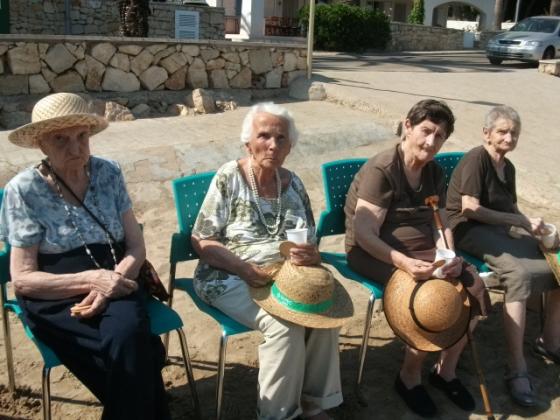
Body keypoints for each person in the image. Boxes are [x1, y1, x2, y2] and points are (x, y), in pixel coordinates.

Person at [0, 93, 169, 419]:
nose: (76, 148)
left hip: (119, 274)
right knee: (139, 350)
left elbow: (136, 246)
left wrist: (113, 280)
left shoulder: (109, 172)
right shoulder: (23, 190)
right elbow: (22, 279)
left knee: (126, 337)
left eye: (82, 136)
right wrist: (93, 280)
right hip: (55, 291)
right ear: (40, 143)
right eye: (60, 139)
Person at [191, 102, 343, 420]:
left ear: (289, 147)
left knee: (324, 310)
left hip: (285, 277)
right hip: (229, 274)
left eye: (281, 138)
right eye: (264, 136)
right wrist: (243, 268)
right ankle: (278, 414)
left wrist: (311, 253)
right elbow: (202, 240)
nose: (273, 145)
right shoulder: (229, 176)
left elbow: (310, 239)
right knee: (284, 325)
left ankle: (314, 403)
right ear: (248, 142)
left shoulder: (294, 183)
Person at [344, 99, 489, 418]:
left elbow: (441, 224)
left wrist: (449, 256)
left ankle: (445, 371)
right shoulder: (384, 170)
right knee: (431, 297)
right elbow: (365, 233)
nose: (431, 141)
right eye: (426, 131)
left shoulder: (433, 172)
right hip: (374, 252)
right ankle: (408, 377)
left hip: (422, 250)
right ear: (407, 127)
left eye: (440, 136)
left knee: (473, 286)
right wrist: (405, 264)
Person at [445, 105, 560, 407]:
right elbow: (469, 208)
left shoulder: (507, 167)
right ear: (487, 133)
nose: (509, 138)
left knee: (557, 260)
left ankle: (549, 341)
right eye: (503, 131)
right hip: (467, 229)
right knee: (518, 274)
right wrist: (518, 221)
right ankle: (516, 366)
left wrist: (531, 225)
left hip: (497, 228)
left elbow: (510, 208)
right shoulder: (476, 159)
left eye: (514, 133)